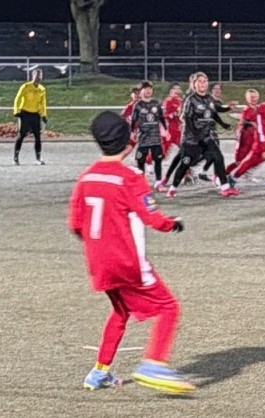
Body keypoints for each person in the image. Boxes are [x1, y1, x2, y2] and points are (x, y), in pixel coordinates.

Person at [68, 111, 195, 395]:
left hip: (98, 263)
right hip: (127, 262)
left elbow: (75, 224)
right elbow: (153, 219)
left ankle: (99, 372)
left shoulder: (86, 177)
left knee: (120, 311)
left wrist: (99, 245)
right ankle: (153, 363)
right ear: (129, 140)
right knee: (168, 308)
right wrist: (172, 224)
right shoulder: (130, 177)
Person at [166, 72, 238, 198]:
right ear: (194, 84)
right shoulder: (190, 100)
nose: (203, 83)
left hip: (207, 136)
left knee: (218, 157)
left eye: (205, 81)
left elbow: (215, 110)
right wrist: (197, 136)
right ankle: (172, 188)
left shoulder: (210, 98)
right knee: (186, 163)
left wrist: (228, 108)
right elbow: (188, 120)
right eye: (200, 81)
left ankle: (225, 188)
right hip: (191, 139)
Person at [131, 81, 168, 190]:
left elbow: (161, 118)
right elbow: (133, 121)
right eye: (146, 88)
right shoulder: (138, 105)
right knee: (141, 161)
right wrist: (132, 132)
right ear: (140, 91)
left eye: (150, 88)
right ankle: (142, 182)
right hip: (143, 138)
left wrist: (166, 130)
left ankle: (158, 182)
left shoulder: (156, 104)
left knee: (158, 160)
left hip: (156, 138)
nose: (148, 90)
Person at [12, 67, 48, 165]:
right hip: (25, 114)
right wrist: (16, 110)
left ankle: (38, 158)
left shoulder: (42, 89)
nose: (38, 77)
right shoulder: (26, 86)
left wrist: (44, 115)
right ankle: (16, 157)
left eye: (40, 75)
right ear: (32, 76)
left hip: (35, 115)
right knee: (22, 135)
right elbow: (18, 98)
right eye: (37, 75)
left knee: (38, 137)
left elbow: (43, 103)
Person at [225, 89, 260, 179]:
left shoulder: (258, 108)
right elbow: (243, 121)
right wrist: (252, 123)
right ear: (247, 98)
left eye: (255, 96)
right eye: (251, 97)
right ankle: (223, 173)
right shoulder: (246, 110)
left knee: (255, 157)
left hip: (254, 137)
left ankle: (247, 172)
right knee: (239, 161)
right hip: (244, 137)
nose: (254, 98)